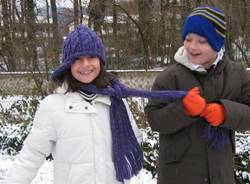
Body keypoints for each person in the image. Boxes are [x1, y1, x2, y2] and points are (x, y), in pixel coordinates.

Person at [5, 25, 145, 184]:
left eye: (91, 57)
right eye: (77, 59)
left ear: (100, 60)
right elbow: (31, 156)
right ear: (68, 64)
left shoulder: (117, 102)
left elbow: (133, 140)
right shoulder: (52, 107)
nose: (86, 64)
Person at [144, 5, 250, 184]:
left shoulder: (237, 74)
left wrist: (225, 112)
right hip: (178, 175)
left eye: (202, 41)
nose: (192, 46)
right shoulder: (170, 77)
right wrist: (184, 109)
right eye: (188, 38)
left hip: (220, 174)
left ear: (217, 42)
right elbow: (154, 119)